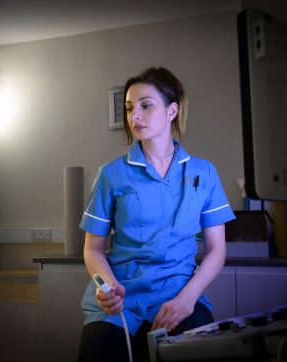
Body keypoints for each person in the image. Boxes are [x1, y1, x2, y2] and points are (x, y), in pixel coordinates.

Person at [77, 66, 235, 362]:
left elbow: (217, 250)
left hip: (180, 294)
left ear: (172, 110)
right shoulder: (111, 174)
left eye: (145, 105)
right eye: (129, 108)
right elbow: (93, 248)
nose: (134, 115)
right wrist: (108, 288)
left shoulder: (203, 172)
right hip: (120, 301)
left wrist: (187, 300)